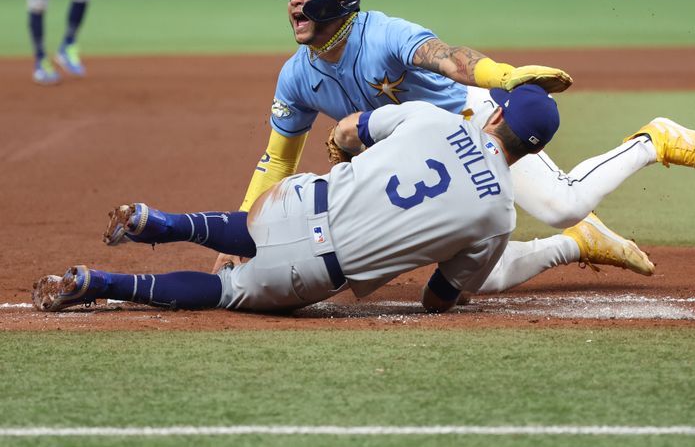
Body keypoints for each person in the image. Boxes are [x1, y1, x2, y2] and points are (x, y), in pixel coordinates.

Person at [210, 0, 695, 293]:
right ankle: (578, 245)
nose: (295, 2)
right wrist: (246, 234)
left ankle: (655, 139)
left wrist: (505, 74)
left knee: (564, 202)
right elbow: (276, 161)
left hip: (473, 126)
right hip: (411, 154)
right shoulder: (296, 77)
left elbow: (447, 57)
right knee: (483, 279)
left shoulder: (382, 34)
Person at [33, 85, 562, 313]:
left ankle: (165, 221)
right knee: (225, 290)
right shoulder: (499, 218)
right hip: (312, 272)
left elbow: (353, 129)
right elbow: (437, 298)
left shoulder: (435, 117)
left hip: (301, 199)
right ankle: (104, 283)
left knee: (259, 225)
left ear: (496, 116)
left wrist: (342, 152)